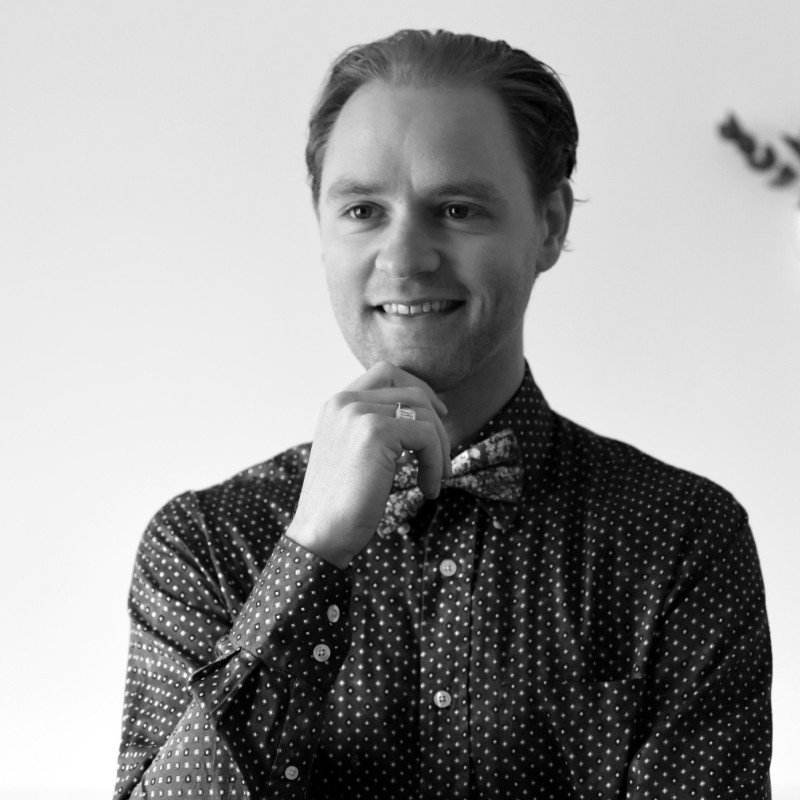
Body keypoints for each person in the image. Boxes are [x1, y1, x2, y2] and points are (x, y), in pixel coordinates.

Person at [113, 29, 772, 800]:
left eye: (457, 209)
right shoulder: (204, 545)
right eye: (363, 209)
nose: (404, 258)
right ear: (321, 228)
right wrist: (308, 556)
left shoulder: (683, 538)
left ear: (550, 225)